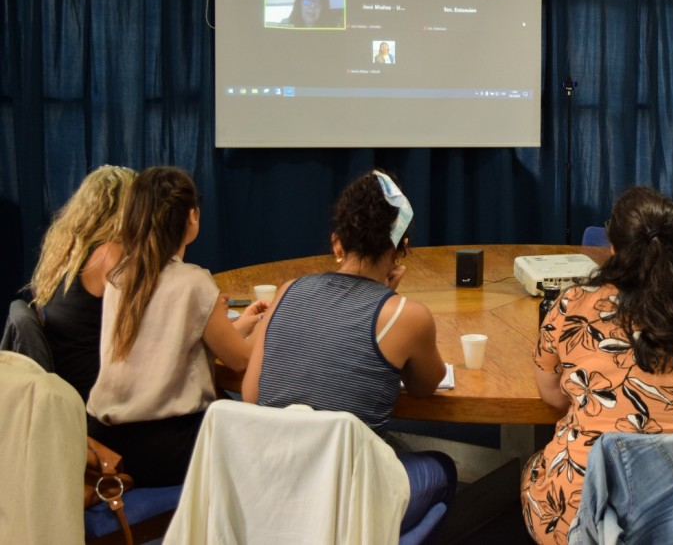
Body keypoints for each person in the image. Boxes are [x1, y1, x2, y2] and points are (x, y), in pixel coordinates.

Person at [520, 186, 673, 544]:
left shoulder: (573, 306)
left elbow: (553, 397)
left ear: (612, 246)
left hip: (591, 515)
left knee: (535, 467)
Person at [242, 170, 456, 535]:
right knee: (444, 469)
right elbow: (425, 386)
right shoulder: (406, 316)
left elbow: (252, 394)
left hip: (269, 491)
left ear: (337, 244)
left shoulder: (288, 291)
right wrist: (388, 298)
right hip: (348, 508)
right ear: (401, 249)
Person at [87, 166, 267, 486]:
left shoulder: (120, 276)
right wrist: (272, 320)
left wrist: (241, 325)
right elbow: (240, 360)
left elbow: (167, 344)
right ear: (192, 217)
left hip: (107, 438)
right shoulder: (193, 281)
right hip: (164, 447)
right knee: (263, 439)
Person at [27, 165, 135, 401]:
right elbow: (142, 326)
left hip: (69, 387)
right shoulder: (110, 254)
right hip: (96, 397)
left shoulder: (66, 249)